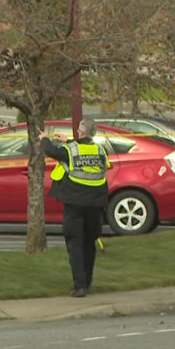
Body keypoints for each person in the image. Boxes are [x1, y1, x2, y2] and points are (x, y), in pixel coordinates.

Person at [39, 119, 110, 298]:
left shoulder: (69, 151)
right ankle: (87, 282)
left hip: (75, 204)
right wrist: (68, 141)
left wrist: (44, 138)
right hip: (96, 203)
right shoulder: (101, 150)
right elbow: (84, 153)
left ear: (81, 132)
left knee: (75, 243)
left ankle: (79, 287)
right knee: (89, 243)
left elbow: (50, 151)